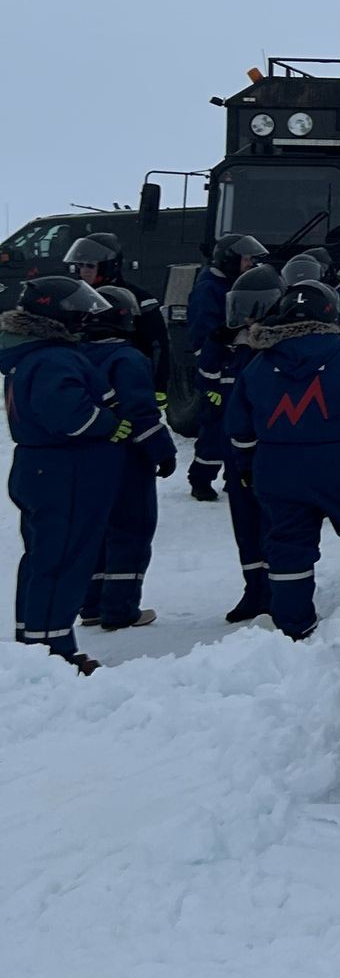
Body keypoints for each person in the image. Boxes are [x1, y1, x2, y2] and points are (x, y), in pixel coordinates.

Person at [224, 278, 340, 639]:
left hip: (277, 472)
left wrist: (246, 468)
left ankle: (293, 625)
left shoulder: (258, 365)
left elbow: (239, 430)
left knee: (288, 545)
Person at [1, 273, 123, 672]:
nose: (87, 318)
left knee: (44, 557)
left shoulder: (33, 355)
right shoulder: (53, 358)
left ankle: (36, 644)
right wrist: (106, 423)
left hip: (42, 468)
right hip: (62, 471)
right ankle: (52, 652)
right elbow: (68, 416)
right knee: (61, 559)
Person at [78, 284, 177, 631]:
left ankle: (90, 603)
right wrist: (163, 452)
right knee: (131, 529)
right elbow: (141, 415)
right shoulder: (128, 358)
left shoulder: (75, 354)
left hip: (86, 459)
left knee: (97, 531)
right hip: (126, 459)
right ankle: (119, 608)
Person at [202, 266, 285, 622]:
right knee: (246, 525)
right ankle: (255, 590)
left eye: (255, 309)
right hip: (237, 452)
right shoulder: (231, 349)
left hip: (271, 453)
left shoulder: (279, 353)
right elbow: (209, 384)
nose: (247, 318)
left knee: (277, 525)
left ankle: (281, 591)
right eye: (242, 308)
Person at [186, 234, 265, 499]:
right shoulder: (209, 288)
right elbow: (203, 335)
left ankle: (236, 476)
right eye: (246, 259)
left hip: (238, 361)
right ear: (229, 259)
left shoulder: (239, 283)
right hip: (218, 367)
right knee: (215, 426)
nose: (251, 264)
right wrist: (212, 371)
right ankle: (201, 478)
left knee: (241, 423)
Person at [64, 233, 170, 393]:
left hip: (128, 380)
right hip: (85, 383)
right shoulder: (73, 299)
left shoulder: (138, 299)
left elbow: (158, 346)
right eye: (80, 265)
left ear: (108, 265)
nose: (83, 271)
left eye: (90, 266)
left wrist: (158, 387)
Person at [281, 248, 340, 345]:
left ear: (327, 272)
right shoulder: (294, 294)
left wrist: (337, 315)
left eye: (313, 270)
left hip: (333, 344)